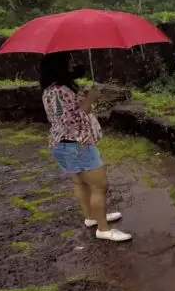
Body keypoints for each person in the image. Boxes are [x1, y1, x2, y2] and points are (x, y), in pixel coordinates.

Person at [40, 52, 132, 242]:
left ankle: (92, 217)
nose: (72, 65)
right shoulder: (61, 90)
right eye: (68, 61)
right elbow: (71, 119)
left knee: (80, 182)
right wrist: (89, 99)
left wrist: (87, 98)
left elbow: (65, 114)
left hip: (61, 144)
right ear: (59, 66)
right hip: (76, 144)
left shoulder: (50, 90)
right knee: (100, 185)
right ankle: (104, 229)